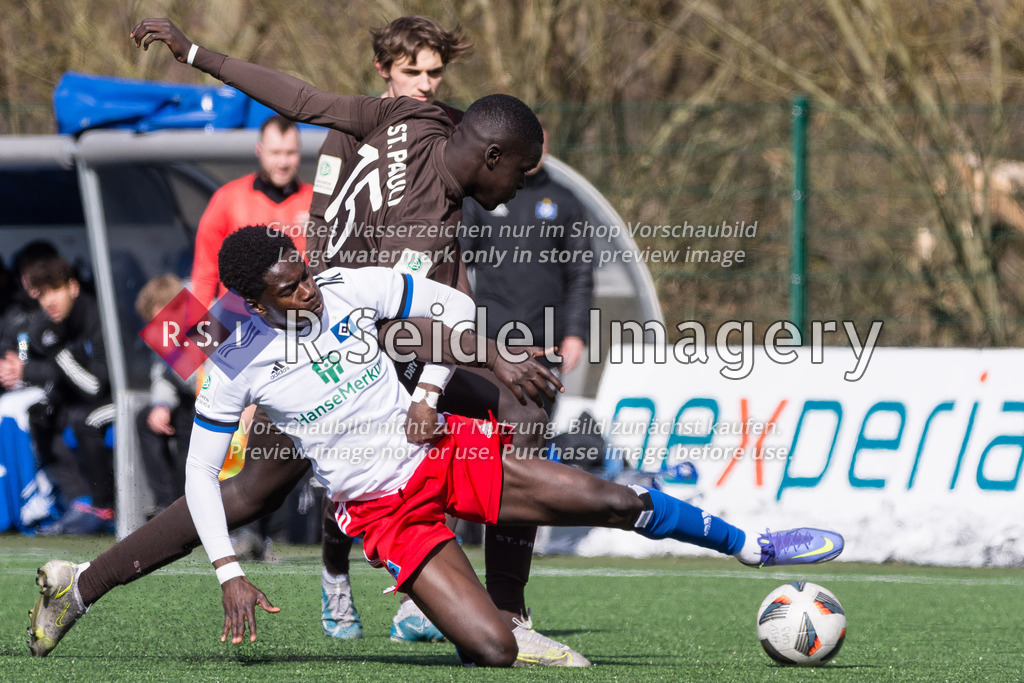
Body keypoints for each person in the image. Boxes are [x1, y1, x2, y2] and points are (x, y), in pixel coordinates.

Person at [29, 228, 845, 667]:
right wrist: (229, 572)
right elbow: (204, 477)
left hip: (445, 452)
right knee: (492, 650)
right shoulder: (234, 364)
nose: (309, 287)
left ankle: (750, 546)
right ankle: (464, 612)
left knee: (615, 498)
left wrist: (437, 384)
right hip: (382, 509)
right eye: (290, 286)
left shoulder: (345, 286)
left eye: (305, 270)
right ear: (254, 300)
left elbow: (447, 302)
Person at [25, 15, 568, 664]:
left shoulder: (406, 118)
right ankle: (501, 611)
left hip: (314, 329)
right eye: (414, 70)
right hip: (339, 352)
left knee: (249, 492)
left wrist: (195, 51)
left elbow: (301, 99)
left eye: (434, 75)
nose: (426, 85)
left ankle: (78, 584)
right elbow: (405, 323)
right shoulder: (415, 212)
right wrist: (490, 354)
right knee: (521, 403)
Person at [461, 124, 593, 412]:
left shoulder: (566, 201)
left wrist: (575, 333)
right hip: (490, 336)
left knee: (535, 424)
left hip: (544, 339)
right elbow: (458, 256)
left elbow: (580, 273)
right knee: (486, 425)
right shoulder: (483, 196)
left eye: (541, 143)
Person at [0, 256, 114, 534]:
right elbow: (50, 372)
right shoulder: (44, 324)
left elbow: (94, 387)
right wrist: (19, 366)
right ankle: (80, 501)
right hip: (82, 397)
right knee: (41, 414)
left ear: (73, 287)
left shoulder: (97, 314)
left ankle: (105, 507)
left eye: (56, 290)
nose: (49, 301)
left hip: (119, 397)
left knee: (82, 419)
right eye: (42, 294)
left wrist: (53, 354)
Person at [191, 114, 313, 308]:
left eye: (290, 153)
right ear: (259, 150)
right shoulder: (228, 198)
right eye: (275, 153)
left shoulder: (316, 202)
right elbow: (205, 274)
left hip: (300, 319)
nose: (283, 162)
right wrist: (195, 330)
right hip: (240, 320)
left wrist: (321, 227)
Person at [133, 275, 196, 516]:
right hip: (187, 400)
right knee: (145, 419)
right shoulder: (167, 331)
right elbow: (161, 373)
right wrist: (161, 405)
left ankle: (184, 507)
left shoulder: (205, 320)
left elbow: (202, 382)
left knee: (189, 430)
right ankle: (166, 506)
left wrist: (172, 354)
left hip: (218, 404)